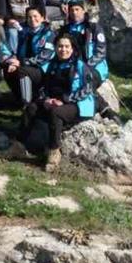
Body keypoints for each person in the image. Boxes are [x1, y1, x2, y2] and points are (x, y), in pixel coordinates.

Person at [21, 33, 95, 171]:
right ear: (55, 48)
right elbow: (43, 87)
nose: (63, 49)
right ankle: (20, 143)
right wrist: (45, 99)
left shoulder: (80, 66)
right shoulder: (52, 65)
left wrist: (66, 100)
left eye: (67, 46)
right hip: (55, 101)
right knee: (31, 108)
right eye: (60, 46)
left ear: (72, 48)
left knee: (56, 113)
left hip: (78, 104)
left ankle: (54, 151)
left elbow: (87, 89)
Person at [63, 0, 113, 117]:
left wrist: (87, 66)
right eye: (71, 10)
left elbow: (101, 52)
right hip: (73, 67)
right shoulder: (65, 30)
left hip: (94, 67)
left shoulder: (93, 28)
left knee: (86, 81)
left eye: (77, 9)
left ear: (83, 11)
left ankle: (103, 109)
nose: (74, 13)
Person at [4, 6, 56, 104]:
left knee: (22, 70)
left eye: (35, 16)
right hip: (26, 65)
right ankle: (19, 97)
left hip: (44, 70)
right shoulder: (24, 32)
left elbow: (43, 58)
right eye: (29, 17)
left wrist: (21, 62)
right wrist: (13, 60)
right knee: (7, 67)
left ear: (42, 18)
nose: (32, 19)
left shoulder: (49, 34)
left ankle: (27, 102)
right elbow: (17, 51)